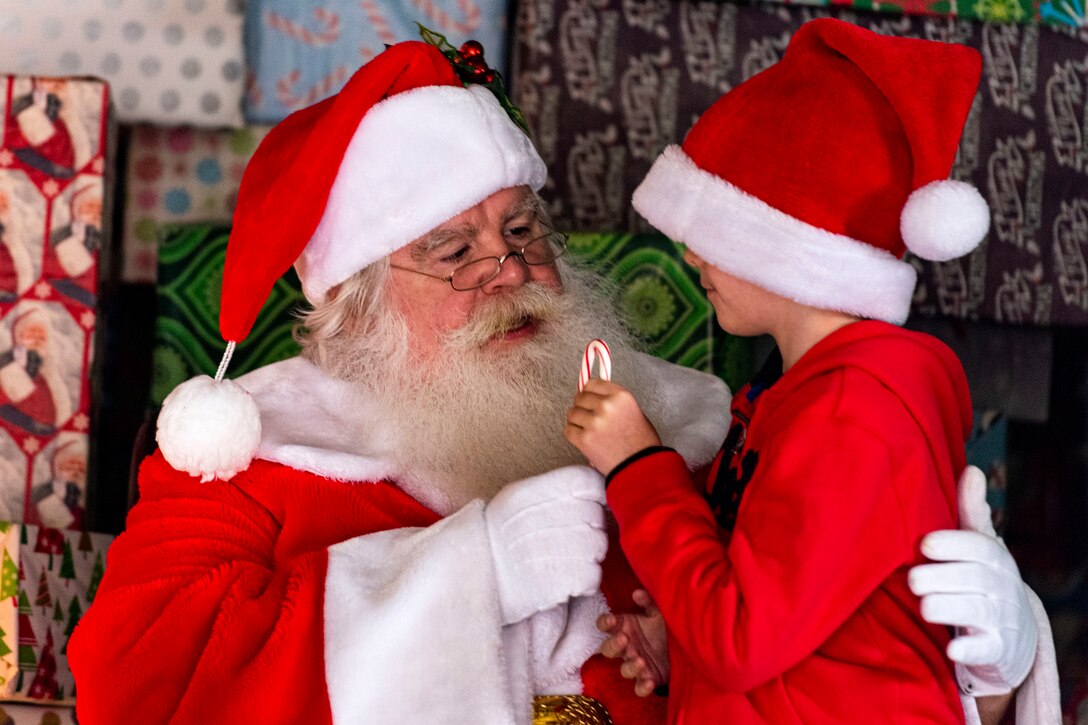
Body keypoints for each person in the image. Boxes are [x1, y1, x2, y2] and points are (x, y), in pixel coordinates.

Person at [69, 36, 1048, 725]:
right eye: (452, 250)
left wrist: (991, 670)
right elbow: (138, 683)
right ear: (351, 309)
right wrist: (468, 574)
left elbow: (818, 680)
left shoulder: (691, 434)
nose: (506, 270)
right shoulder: (256, 456)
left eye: (522, 230)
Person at [566, 18, 1058, 725]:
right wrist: (683, 650)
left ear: (780, 243)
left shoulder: (854, 412)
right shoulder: (790, 396)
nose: (691, 256)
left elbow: (742, 637)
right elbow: (799, 630)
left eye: (710, 230)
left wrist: (638, 463)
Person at [0, 306, 72, 436]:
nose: (37, 337)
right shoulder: (9, 363)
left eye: (42, 335)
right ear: (20, 336)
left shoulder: (50, 371)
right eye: (32, 332)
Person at [47, 179, 101, 307]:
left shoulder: (100, 235)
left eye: (100, 208)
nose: (95, 212)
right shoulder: (64, 233)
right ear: (78, 209)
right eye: (90, 206)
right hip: (67, 281)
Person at [31, 435, 87, 530]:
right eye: (72, 463)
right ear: (58, 464)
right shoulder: (42, 492)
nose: (76, 468)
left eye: (80, 465)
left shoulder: (84, 495)